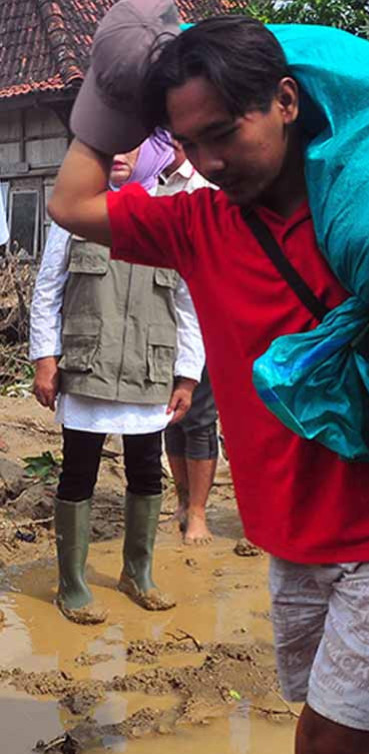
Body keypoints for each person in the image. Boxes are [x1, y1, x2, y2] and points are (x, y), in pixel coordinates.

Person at [47, 0, 369, 754]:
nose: (207, 162)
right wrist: (107, 98)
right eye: (188, 142)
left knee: (320, 752)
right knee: (356, 716)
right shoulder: (197, 224)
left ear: (287, 100)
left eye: (223, 133)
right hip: (292, 528)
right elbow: (70, 202)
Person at [30, 138, 205, 624]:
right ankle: (73, 582)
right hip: (87, 368)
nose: (121, 156)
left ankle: (138, 572)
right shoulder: (78, 213)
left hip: (149, 372)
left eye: (133, 148)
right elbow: (49, 289)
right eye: (113, 148)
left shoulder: (170, 219)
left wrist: (188, 375)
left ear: (153, 154)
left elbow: (188, 305)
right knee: (79, 472)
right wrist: (45, 359)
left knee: (147, 473)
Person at [158, 142, 218, 545]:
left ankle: (198, 510)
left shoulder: (205, 189)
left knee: (199, 415)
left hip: (202, 319)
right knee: (170, 416)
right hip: (160, 321)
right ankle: (181, 499)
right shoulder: (152, 187)